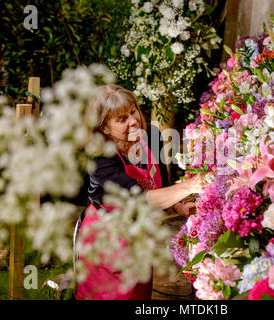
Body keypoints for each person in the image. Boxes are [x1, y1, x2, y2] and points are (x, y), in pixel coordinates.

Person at [74, 84, 205, 300]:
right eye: (121, 119)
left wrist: (177, 204)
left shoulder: (151, 137)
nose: (133, 121)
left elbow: (158, 184)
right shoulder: (100, 160)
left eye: (133, 111)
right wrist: (189, 186)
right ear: (104, 128)